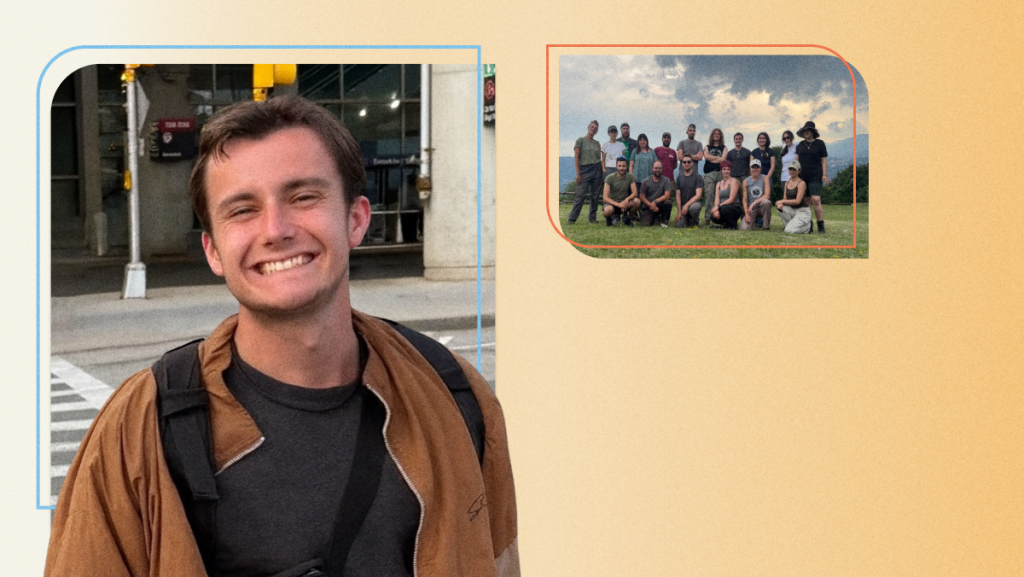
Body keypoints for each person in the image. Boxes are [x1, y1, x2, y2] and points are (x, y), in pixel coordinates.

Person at [45, 96, 519, 577]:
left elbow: (501, 562)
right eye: (242, 210)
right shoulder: (140, 430)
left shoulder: (454, 396)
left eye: (303, 197)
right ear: (213, 250)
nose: (275, 230)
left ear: (356, 219)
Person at [795, 120, 830, 233]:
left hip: (816, 175)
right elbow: (797, 160)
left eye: (808, 130)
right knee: (806, 201)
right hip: (802, 177)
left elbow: (823, 160)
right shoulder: (800, 145)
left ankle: (821, 226)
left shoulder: (820, 144)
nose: (806, 132)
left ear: (813, 132)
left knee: (816, 200)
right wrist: (794, 174)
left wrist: (824, 174)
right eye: (804, 130)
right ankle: (808, 226)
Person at [568, 119, 603, 224]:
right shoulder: (580, 140)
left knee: (595, 195)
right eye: (592, 127)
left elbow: (599, 158)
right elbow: (576, 157)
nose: (593, 129)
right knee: (580, 194)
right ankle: (572, 218)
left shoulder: (597, 143)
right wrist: (578, 173)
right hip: (584, 169)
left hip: (597, 169)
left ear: (597, 131)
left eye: (595, 128)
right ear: (588, 128)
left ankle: (592, 218)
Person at [775, 159, 813, 234]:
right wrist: (780, 204)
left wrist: (782, 201)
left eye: (794, 169)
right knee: (780, 209)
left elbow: (797, 201)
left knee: (788, 230)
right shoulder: (787, 183)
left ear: (799, 170)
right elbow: (785, 199)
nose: (792, 171)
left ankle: (806, 227)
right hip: (793, 211)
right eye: (790, 169)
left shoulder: (801, 183)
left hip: (803, 211)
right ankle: (792, 226)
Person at [603, 156, 640, 226]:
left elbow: (635, 193)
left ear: (626, 166)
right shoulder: (609, 178)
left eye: (623, 166)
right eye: (619, 166)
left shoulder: (630, 176)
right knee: (607, 211)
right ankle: (609, 219)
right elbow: (605, 198)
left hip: (624, 203)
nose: (621, 168)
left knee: (637, 201)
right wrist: (618, 204)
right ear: (616, 166)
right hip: (612, 203)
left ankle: (628, 220)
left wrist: (626, 199)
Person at [701, 128, 727, 225]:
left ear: (721, 136)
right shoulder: (707, 147)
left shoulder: (724, 147)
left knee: (720, 196)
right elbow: (706, 157)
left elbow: (724, 159)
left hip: (720, 173)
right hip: (709, 173)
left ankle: (719, 219)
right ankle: (707, 218)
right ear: (712, 135)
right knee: (709, 195)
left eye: (718, 134)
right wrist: (718, 158)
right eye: (715, 133)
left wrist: (714, 159)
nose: (716, 135)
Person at [638, 160, 674, 227]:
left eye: (659, 168)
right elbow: (641, 197)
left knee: (668, 202)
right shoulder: (646, 181)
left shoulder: (666, 180)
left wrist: (655, 202)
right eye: (656, 168)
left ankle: (664, 221)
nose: (658, 170)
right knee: (646, 224)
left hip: (660, 204)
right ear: (652, 169)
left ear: (662, 169)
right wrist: (650, 205)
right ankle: (655, 218)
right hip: (648, 205)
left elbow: (667, 195)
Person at [739, 158, 772, 231]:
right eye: (753, 167)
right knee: (744, 228)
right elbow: (744, 199)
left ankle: (766, 227)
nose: (755, 169)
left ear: (761, 168)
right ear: (750, 169)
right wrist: (746, 213)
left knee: (766, 202)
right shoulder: (746, 181)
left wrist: (753, 203)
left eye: (757, 167)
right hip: (752, 209)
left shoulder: (765, 178)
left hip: (762, 206)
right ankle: (753, 224)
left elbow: (767, 195)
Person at [709, 160, 742, 229]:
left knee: (724, 208)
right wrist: (716, 210)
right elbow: (717, 199)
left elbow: (731, 199)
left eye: (728, 169)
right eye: (724, 169)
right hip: (722, 208)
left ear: (730, 170)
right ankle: (725, 225)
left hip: (734, 208)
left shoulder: (733, 181)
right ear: (721, 170)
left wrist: (718, 206)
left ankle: (733, 226)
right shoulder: (718, 184)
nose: (726, 171)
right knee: (712, 216)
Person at [674, 154, 703, 228]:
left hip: (694, 203)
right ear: (682, 163)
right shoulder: (679, 178)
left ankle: (695, 221)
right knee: (678, 225)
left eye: (688, 162)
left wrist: (687, 205)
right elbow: (678, 195)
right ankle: (687, 220)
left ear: (692, 163)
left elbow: (698, 195)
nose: (686, 164)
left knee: (693, 209)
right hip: (683, 206)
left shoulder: (698, 177)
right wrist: (679, 212)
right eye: (684, 162)